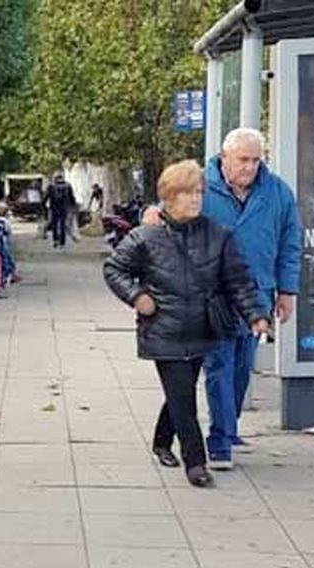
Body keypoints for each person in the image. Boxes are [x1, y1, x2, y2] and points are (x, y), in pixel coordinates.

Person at [103, 160, 271, 488]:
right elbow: (114, 269)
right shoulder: (145, 237)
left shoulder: (217, 234)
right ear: (168, 196)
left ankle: (162, 440)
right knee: (184, 397)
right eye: (186, 193)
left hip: (203, 327)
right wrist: (137, 296)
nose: (194, 199)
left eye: (198, 192)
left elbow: (238, 281)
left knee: (179, 391)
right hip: (163, 329)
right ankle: (196, 462)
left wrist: (256, 315)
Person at [143, 129, 302, 469]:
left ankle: (221, 430)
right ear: (225, 157)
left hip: (253, 294)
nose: (250, 167)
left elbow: (290, 244)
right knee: (218, 366)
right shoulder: (201, 185)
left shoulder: (277, 193)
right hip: (208, 296)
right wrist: (153, 214)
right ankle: (219, 442)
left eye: (256, 160)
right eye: (243, 159)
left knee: (242, 368)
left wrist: (287, 290)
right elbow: (169, 208)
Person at [46, 174, 77, 248]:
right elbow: (71, 196)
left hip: (54, 208)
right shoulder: (67, 185)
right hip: (64, 208)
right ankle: (62, 243)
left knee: (55, 224)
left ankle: (55, 240)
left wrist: (43, 206)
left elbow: (46, 196)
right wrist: (73, 206)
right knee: (63, 224)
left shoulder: (51, 186)